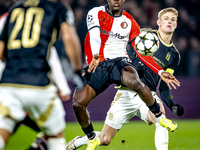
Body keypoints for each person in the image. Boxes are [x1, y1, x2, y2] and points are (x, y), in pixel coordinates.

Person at [65, 7, 184, 150]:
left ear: (176, 24)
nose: (169, 22)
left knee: (160, 117)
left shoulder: (174, 55)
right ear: (158, 22)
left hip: (148, 93)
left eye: (173, 19)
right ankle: (79, 141)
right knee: (104, 139)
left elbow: (164, 87)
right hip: (126, 92)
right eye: (166, 18)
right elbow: (126, 50)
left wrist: (171, 104)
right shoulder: (145, 35)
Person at [0, 0, 83, 149]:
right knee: (55, 134)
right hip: (38, 83)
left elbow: (1, 50)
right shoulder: (56, 7)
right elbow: (69, 38)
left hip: (8, 83)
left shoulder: (14, 9)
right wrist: (77, 71)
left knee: (4, 128)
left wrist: (17, 65)